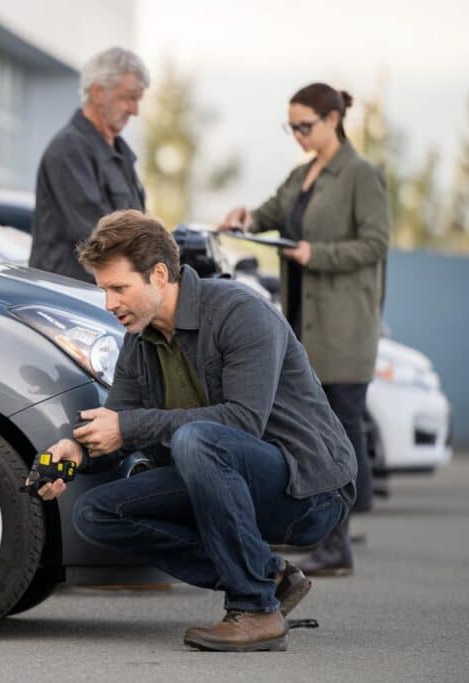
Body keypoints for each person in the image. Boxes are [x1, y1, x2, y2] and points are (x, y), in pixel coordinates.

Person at [34, 210, 356, 652]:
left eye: (118, 288)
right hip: (221, 473)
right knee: (97, 513)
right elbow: (121, 426)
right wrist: (78, 451)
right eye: (104, 290)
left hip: (308, 490)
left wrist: (129, 426)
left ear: (160, 275)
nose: (109, 304)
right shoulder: (139, 342)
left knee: (196, 438)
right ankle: (269, 576)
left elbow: (243, 421)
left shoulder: (240, 312)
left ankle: (256, 609)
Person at [219, 83, 390, 575]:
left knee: (336, 428)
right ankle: (323, 533)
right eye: (290, 126)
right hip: (301, 323)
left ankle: (337, 542)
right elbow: (270, 214)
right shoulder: (302, 174)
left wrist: (319, 255)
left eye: (305, 126)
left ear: (333, 119)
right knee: (310, 427)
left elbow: (375, 243)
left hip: (343, 326)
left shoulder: (361, 175)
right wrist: (244, 218)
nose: (297, 134)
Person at [30, 47, 149, 283]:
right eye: (128, 98)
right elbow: (99, 237)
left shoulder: (120, 153)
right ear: (97, 92)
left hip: (104, 298)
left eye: (138, 100)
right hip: (70, 301)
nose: (134, 110)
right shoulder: (69, 151)